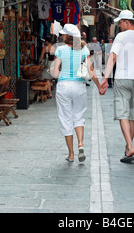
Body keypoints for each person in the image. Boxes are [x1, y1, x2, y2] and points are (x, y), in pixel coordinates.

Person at [100, 10, 134, 163]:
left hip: (122, 79)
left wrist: (105, 78)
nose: (119, 25)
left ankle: (130, 145)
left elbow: (113, 58)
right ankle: (128, 148)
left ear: (127, 22)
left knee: (123, 114)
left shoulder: (120, 37)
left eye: (121, 22)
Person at [51, 24, 103, 163]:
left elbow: (55, 73)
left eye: (63, 34)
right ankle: (80, 143)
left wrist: (53, 72)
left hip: (64, 86)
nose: (61, 36)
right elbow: (91, 70)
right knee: (78, 116)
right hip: (79, 86)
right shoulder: (84, 50)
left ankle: (71, 154)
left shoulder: (60, 50)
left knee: (66, 118)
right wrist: (99, 86)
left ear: (67, 36)